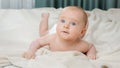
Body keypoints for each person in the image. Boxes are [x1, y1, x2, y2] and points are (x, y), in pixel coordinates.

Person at [23, 6, 96, 60]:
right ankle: (44, 17)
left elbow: (91, 47)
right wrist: (31, 51)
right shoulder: (52, 38)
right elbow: (37, 42)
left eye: (73, 23)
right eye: (63, 20)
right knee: (43, 33)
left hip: (72, 33)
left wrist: (91, 53)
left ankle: (83, 16)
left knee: (81, 31)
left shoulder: (81, 45)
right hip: (58, 30)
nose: (66, 25)